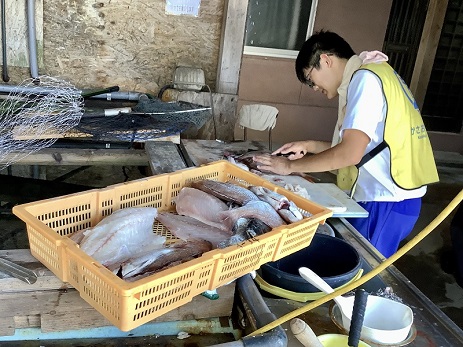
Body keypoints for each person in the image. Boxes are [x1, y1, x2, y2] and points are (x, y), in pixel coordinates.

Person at [254, 30, 439, 258]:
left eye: (310, 79)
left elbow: (350, 154)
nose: (314, 88)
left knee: (362, 277)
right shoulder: (377, 72)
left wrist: (289, 167)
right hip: (393, 200)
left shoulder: (365, 79)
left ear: (325, 59)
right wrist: (308, 145)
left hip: (385, 200)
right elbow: (365, 145)